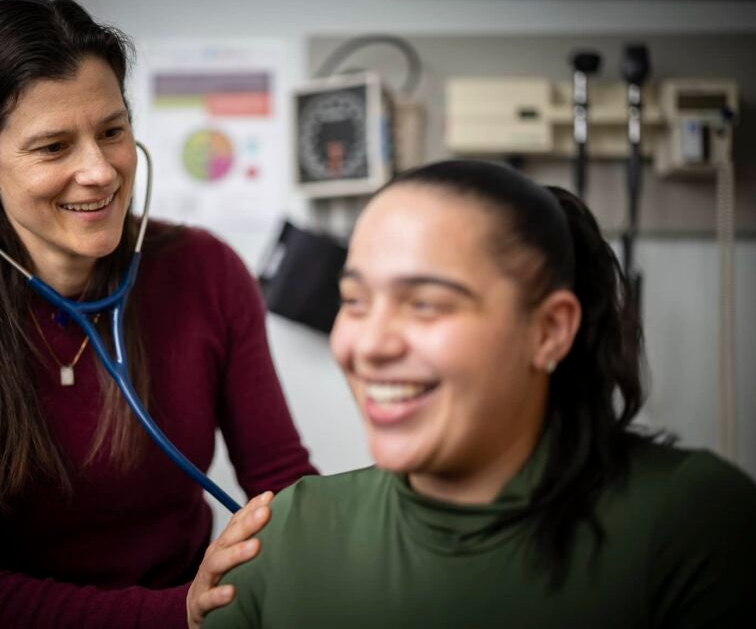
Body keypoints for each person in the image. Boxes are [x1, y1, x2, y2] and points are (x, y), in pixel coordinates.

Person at [0, 0, 316, 629]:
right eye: (54, 147)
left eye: (112, 131)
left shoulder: (205, 272)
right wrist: (175, 614)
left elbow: (282, 482)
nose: (100, 171)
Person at [205, 160, 756, 628]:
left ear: (547, 331)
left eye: (424, 303)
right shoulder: (281, 538)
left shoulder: (692, 523)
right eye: (355, 301)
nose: (368, 345)